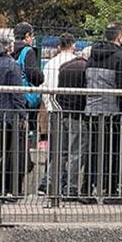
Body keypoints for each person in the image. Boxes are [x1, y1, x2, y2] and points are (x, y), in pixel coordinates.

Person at [85, 22, 122, 203]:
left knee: (93, 151)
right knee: (113, 152)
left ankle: (86, 189)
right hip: (112, 112)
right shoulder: (121, 58)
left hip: (92, 110)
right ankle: (111, 190)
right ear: (119, 37)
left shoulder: (92, 56)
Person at [0, 37, 27, 198]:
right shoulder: (13, 65)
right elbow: (16, 93)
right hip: (6, 116)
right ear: (7, 48)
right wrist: (23, 115)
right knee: (4, 152)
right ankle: (0, 190)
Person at [37, 33, 77, 195]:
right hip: (72, 110)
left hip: (54, 109)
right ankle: (63, 183)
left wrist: (49, 106)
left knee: (57, 148)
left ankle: (50, 182)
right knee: (71, 149)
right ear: (73, 44)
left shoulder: (50, 64)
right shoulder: (75, 62)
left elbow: (44, 89)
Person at [53, 47, 92, 203]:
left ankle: (51, 184)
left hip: (62, 112)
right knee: (77, 152)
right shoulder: (85, 69)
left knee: (61, 152)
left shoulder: (65, 66)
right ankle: (71, 187)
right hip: (77, 114)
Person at [12, 22, 44, 89]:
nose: (32, 39)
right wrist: (40, 76)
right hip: (23, 91)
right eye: (32, 36)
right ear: (27, 36)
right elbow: (33, 74)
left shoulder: (9, 50)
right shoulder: (28, 51)